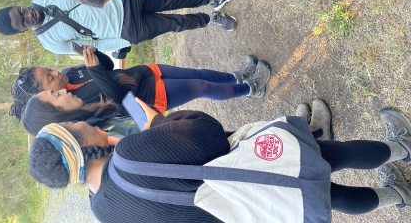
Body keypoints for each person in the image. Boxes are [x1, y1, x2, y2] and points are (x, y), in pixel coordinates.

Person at [28, 106, 411, 222]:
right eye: (74, 125)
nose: (83, 121)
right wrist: (159, 124)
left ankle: (396, 194)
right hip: (259, 171)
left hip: (252, 210)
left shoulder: (103, 212)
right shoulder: (128, 156)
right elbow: (208, 132)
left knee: (329, 198)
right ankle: (402, 149)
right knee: (336, 155)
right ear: (78, 145)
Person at [20, 47, 272, 135]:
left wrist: (94, 58)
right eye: (50, 81)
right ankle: (250, 89)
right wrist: (95, 70)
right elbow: (117, 103)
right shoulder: (84, 115)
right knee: (200, 87)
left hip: (143, 73)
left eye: (50, 70)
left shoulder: (72, 75)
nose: (56, 74)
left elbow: (107, 67)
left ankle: (237, 76)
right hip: (149, 95)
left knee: (198, 73)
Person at [0, 0, 238, 54]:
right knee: (175, 24)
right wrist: (125, 41)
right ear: (22, 31)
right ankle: (211, 19)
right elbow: (92, 46)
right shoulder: (50, 42)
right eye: (23, 23)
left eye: (22, 11)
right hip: (125, 30)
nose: (28, 16)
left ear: (18, 5)